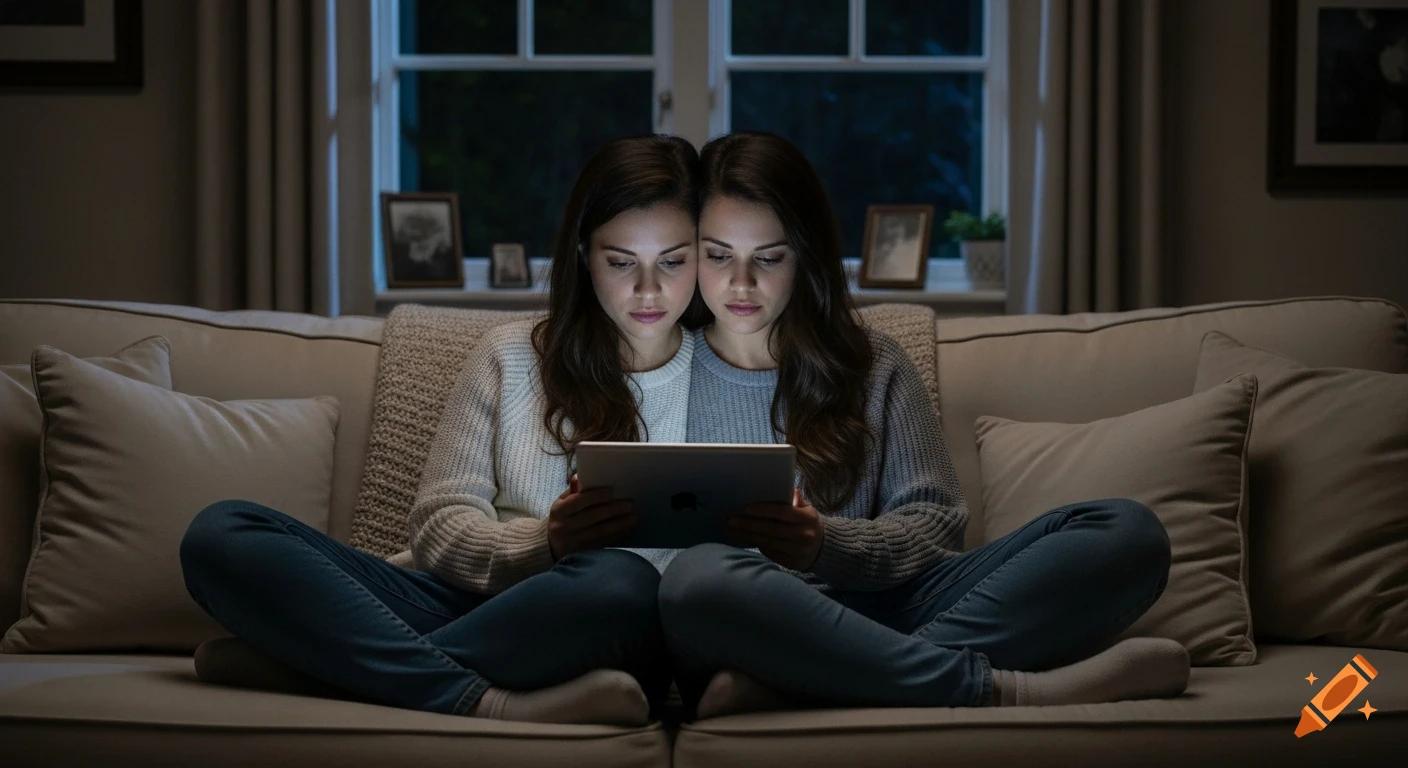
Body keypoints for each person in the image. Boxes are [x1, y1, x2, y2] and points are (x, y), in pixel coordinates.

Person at [658, 131, 1190, 720]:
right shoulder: (659, 370)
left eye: (769, 257)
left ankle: (815, 684)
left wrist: (823, 545)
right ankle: (980, 685)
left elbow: (936, 527)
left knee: (1127, 532)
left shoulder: (873, 364)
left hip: (889, 608)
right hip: (749, 620)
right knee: (697, 577)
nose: (741, 283)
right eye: (718, 254)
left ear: (805, 256)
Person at [180, 134, 703, 725]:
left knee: (619, 581)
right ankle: (477, 696)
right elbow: (438, 526)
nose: (648, 290)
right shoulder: (510, 356)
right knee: (221, 531)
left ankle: (320, 666)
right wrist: (545, 545)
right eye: (620, 262)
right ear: (584, 256)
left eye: (673, 261)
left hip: (596, 617)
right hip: (458, 604)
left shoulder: (731, 374)